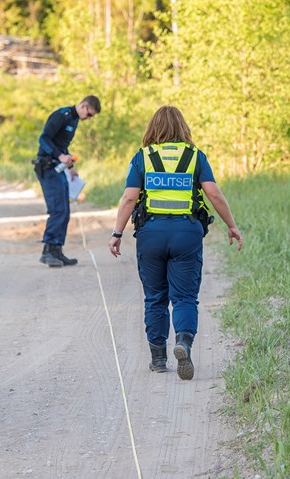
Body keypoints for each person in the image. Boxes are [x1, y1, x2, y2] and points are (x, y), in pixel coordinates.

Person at [108, 105, 242, 380]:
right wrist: (231, 225)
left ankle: (158, 359)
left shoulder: (143, 157)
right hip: (186, 233)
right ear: (183, 127)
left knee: (155, 297)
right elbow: (214, 194)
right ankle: (183, 342)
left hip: (151, 235)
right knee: (184, 296)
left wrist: (117, 233)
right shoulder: (195, 156)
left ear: (153, 128)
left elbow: (129, 199)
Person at [34, 95, 101, 267]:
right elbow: (44, 138)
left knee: (64, 209)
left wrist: (70, 167)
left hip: (60, 168)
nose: (89, 119)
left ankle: (57, 250)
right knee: (58, 209)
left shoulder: (74, 119)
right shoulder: (61, 115)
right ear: (84, 106)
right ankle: (48, 251)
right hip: (48, 167)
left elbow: (61, 144)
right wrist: (60, 156)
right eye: (90, 114)